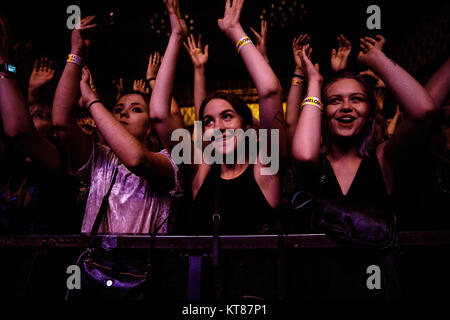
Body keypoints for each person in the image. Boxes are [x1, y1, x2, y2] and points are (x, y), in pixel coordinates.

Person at [291, 34, 435, 298]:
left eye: (356, 99)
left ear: (370, 111)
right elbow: (301, 154)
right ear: (322, 111)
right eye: (335, 101)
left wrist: (377, 60)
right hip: (315, 290)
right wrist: (314, 83)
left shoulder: (383, 160)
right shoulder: (314, 165)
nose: (346, 107)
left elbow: (423, 110)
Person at [150, 0, 287, 235]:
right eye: (209, 122)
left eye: (227, 116)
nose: (219, 127)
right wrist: (176, 36)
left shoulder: (266, 165)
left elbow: (270, 91)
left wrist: (236, 32)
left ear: (247, 126)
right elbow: (159, 115)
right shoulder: (200, 169)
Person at [52, 15, 182, 234]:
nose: (123, 113)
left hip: (146, 269)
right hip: (94, 268)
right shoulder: (101, 159)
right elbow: (61, 123)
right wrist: (76, 53)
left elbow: (136, 159)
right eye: (118, 109)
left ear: (150, 125)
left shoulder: (170, 160)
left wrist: (92, 100)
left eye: (136, 109)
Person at [0, 15, 80, 234]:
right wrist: (31, 91)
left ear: (54, 131)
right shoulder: (10, 159)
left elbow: (21, 130)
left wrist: (3, 59)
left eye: (41, 117)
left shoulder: (56, 160)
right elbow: (16, 118)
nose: (32, 116)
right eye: (30, 113)